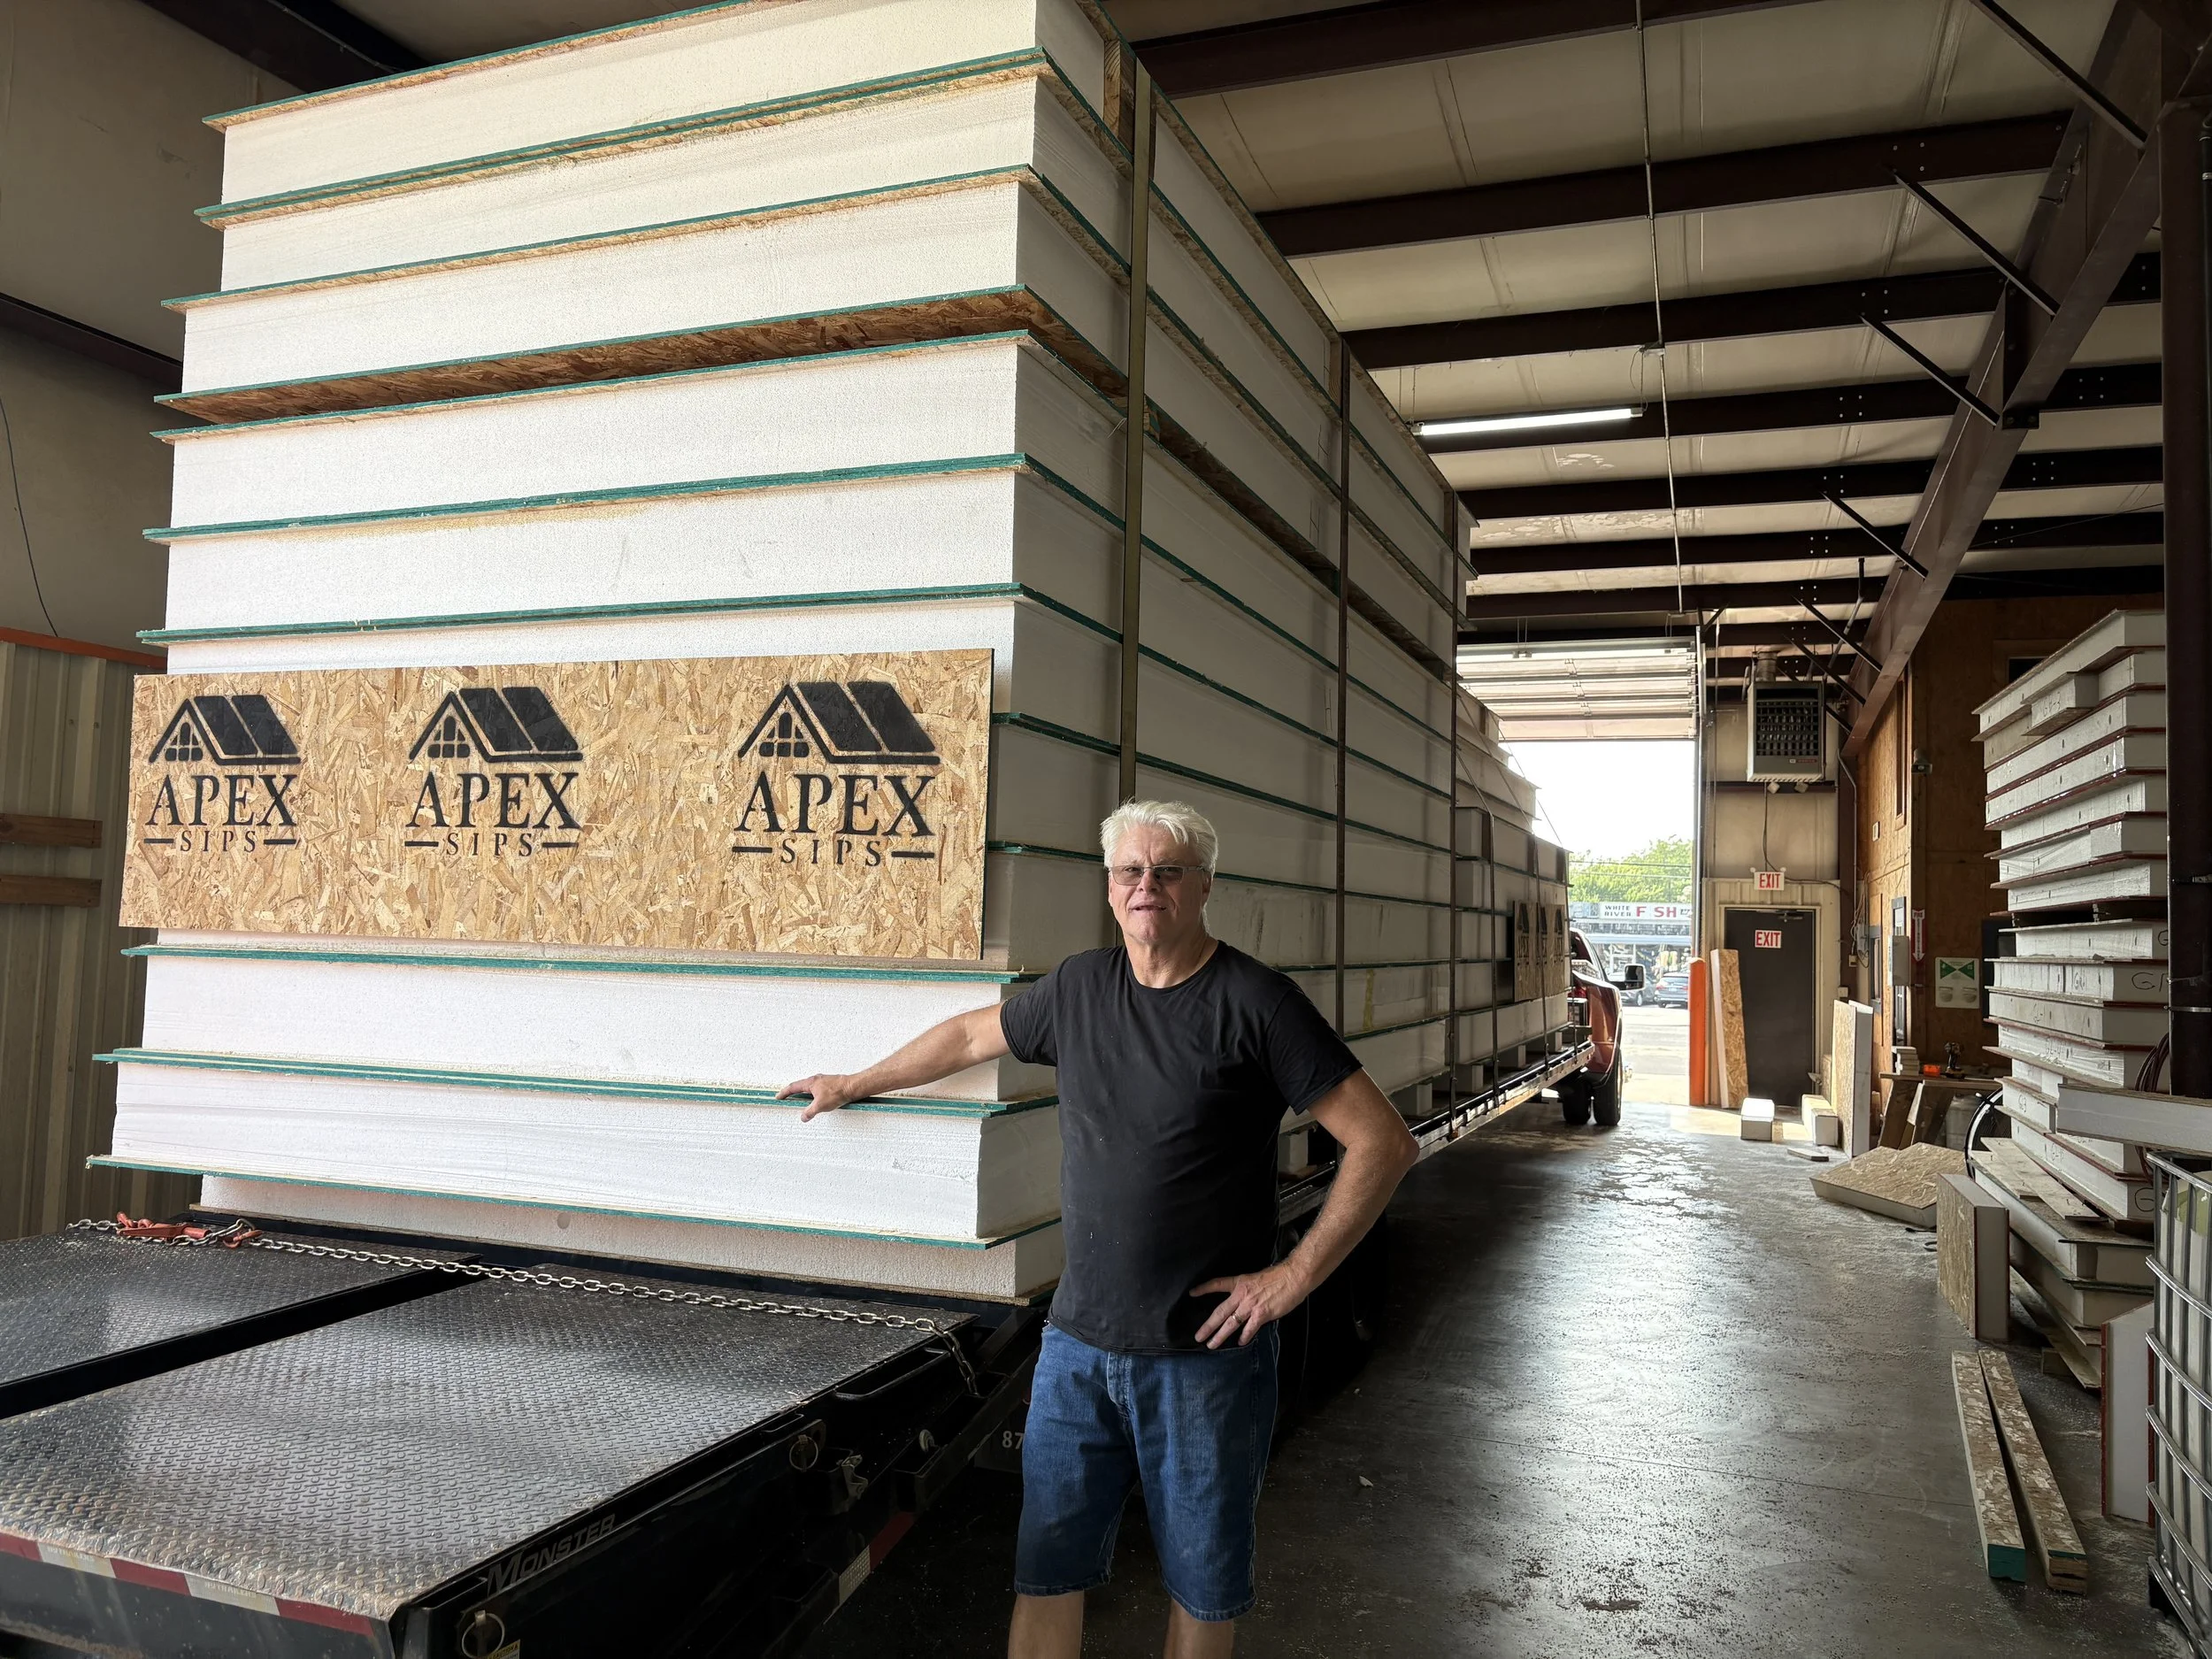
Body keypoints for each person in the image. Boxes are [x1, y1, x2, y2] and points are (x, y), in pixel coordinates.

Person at [780, 800, 1420, 1659]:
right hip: (1079, 1350)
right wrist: (855, 1082)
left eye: (1167, 870)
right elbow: (972, 1033)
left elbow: (1381, 1141)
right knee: (1048, 1571)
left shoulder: (1257, 1004)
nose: (1145, 886)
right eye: (1129, 871)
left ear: (1203, 886)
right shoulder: (1079, 988)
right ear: (1110, 889)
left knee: (1201, 1583)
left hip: (1205, 1362)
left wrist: (1294, 1277)